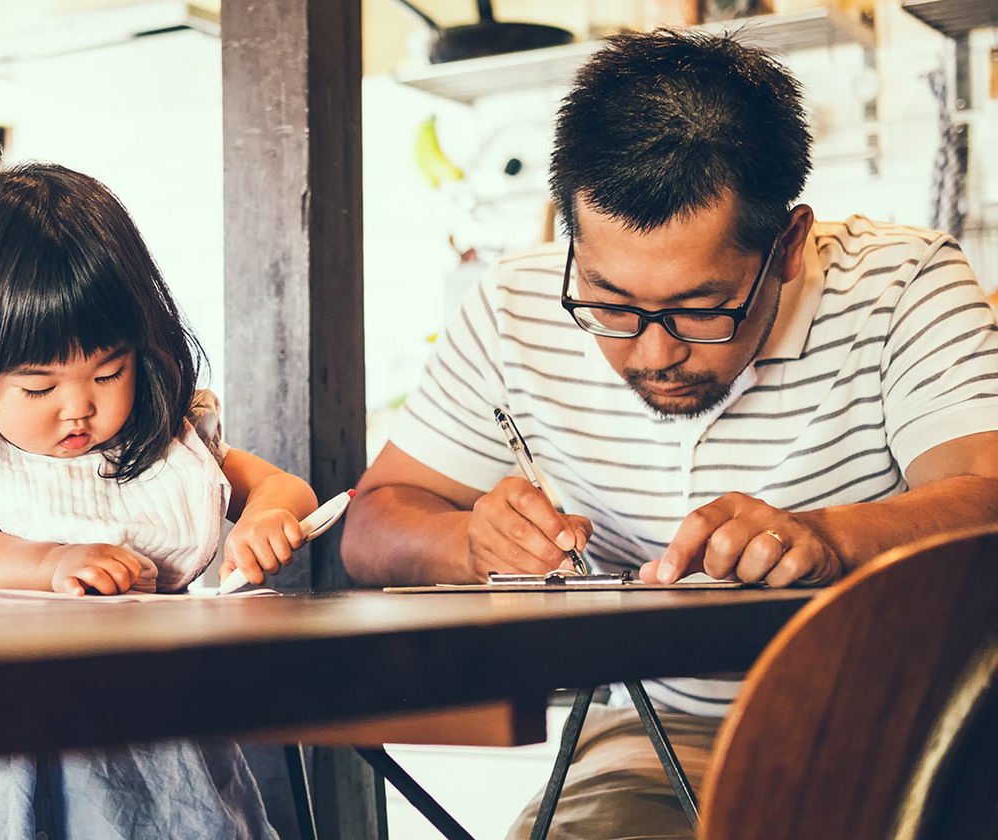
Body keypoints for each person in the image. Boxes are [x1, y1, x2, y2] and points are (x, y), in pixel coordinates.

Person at [341, 30, 998, 840]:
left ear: (789, 245)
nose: (654, 354)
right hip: (652, 745)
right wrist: (469, 542)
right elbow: (372, 523)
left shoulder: (904, 285)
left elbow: (988, 492)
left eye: (701, 310)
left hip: (897, 730)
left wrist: (828, 537)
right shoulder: (513, 306)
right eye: (611, 303)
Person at [0, 162, 317, 839]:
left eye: (108, 372)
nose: (79, 409)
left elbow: (280, 486)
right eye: (39, 388)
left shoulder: (167, 434)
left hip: (155, 724)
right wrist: (54, 563)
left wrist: (271, 513)